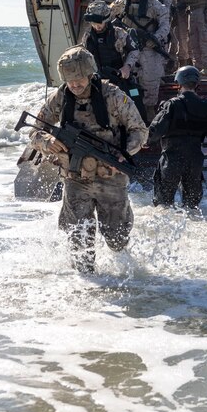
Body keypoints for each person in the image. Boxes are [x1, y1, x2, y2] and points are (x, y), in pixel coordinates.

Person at [28, 46, 148, 273]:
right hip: (75, 180)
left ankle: (124, 279)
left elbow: (140, 131)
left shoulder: (112, 95)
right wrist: (46, 141)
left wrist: (125, 152)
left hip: (110, 178)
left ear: (91, 73)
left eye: (79, 79)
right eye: (69, 80)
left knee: (117, 239)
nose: (74, 85)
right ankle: (88, 288)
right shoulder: (61, 97)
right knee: (79, 242)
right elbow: (35, 130)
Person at [148, 66, 207, 209]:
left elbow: (155, 131)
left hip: (171, 159)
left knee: (163, 205)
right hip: (194, 161)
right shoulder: (206, 108)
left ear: (178, 83)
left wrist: (143, 142)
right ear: (197, 84)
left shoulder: (171, 105)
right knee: (192, 207)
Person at [110, 0, 170, 122]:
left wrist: (155, 39)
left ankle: (149, 109)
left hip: (148, 47)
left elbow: (165, 25)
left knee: (150, 78)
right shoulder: (121, 3)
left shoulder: (154, 5)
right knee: (127, 79)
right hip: (127, 46)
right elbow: (107, 15)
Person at [80, 0, 146, 121]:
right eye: (93, 23)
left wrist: (127, 67)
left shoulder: (119, 33)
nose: (96, 26)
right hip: (100, 79)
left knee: (136, 104)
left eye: (99, 23)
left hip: (121, 77)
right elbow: (84, 56)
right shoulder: (88, 37)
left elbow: (134, 51)